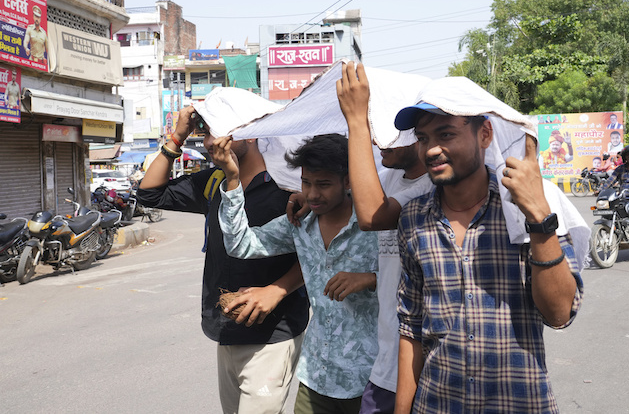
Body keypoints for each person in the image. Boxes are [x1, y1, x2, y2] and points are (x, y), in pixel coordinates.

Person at [391, 79, 585, 413]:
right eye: (423, 139)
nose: (431, 149)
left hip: (519, 403)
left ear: (485, 135)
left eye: (446, 134)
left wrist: (539, 217)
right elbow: (411, 329)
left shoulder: (526, 207)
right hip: (436, 404)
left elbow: (559, 314)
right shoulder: (413, 219)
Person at [137, 105, 309, 414]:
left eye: (217, 130)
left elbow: (316, 250)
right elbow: (150, 195)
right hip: (226, 328)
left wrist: (278, 289)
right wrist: (177, 136)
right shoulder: (215, 181)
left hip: (273, 332)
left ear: (250, 132)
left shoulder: (291, 187)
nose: (207, 142)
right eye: (204, 132)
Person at [217, 133, 380, 414]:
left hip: (370, 377)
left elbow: (413, 276)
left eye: (324, 185)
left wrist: (370, 278)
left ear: (348, 181)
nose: (313, 194)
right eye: (307, 183)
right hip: (316, 375)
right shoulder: (299, 222)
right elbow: (240, 245)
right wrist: (233, 180)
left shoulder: (376, 222)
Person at [335, 61, 433, 414]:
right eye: (373, 126)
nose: (376, 140)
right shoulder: (390, 177)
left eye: (386, 127)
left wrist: (357, 120)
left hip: (417, 361)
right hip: (387, 355)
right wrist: (298, 193)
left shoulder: (429, 188)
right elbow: (349, 185)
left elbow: (371, 215)